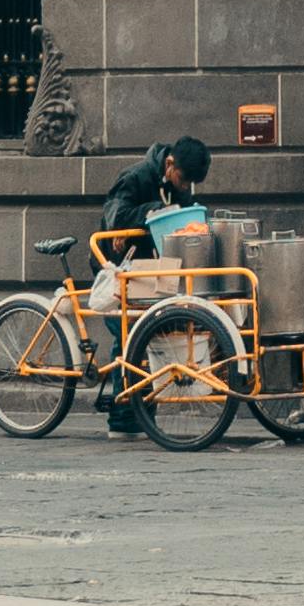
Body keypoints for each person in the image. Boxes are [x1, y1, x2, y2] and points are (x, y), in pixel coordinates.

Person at [85, 138, 215, 429]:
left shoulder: (178, 186)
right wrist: (154, 210)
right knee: (128, 334)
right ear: (170, 165)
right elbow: (115, 214)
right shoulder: (135, 177)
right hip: (118, 271)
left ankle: (143, 413)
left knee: (152, 332)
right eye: (184, 180)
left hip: (152, 274)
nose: (185, 187)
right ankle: (123, 419)